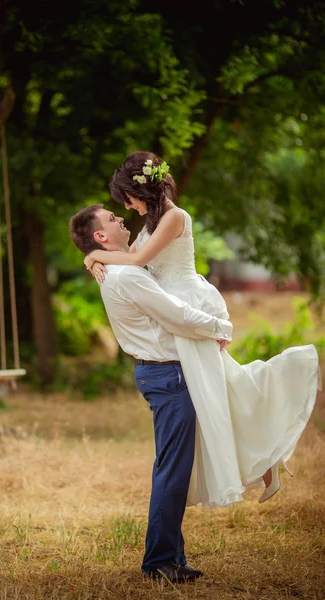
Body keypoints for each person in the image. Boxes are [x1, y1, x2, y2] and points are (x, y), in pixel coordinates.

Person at [83, 151, 321, 509]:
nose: (129, 208)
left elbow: (136, 261)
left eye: (129, 200)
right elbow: (130, 263)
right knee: (224, 389)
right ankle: (264, 461)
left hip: (186, 305)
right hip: (173, 310)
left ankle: (264, 456)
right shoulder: (149, 225)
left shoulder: (175, 217)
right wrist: (95, 256)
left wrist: (93, 256)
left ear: (141, 192)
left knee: (218, 394)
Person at [69, 204, 234, 582]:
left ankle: (172, 556)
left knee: (172, 469)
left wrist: (91, 257)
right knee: (171, 472)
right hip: (167, 376)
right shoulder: (127, 276)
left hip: (163, 374)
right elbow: (176, 314)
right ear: (100, 236)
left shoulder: (118, 267)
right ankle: (159, 560)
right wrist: (220, 326)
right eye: (111, 219)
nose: (121, 218)